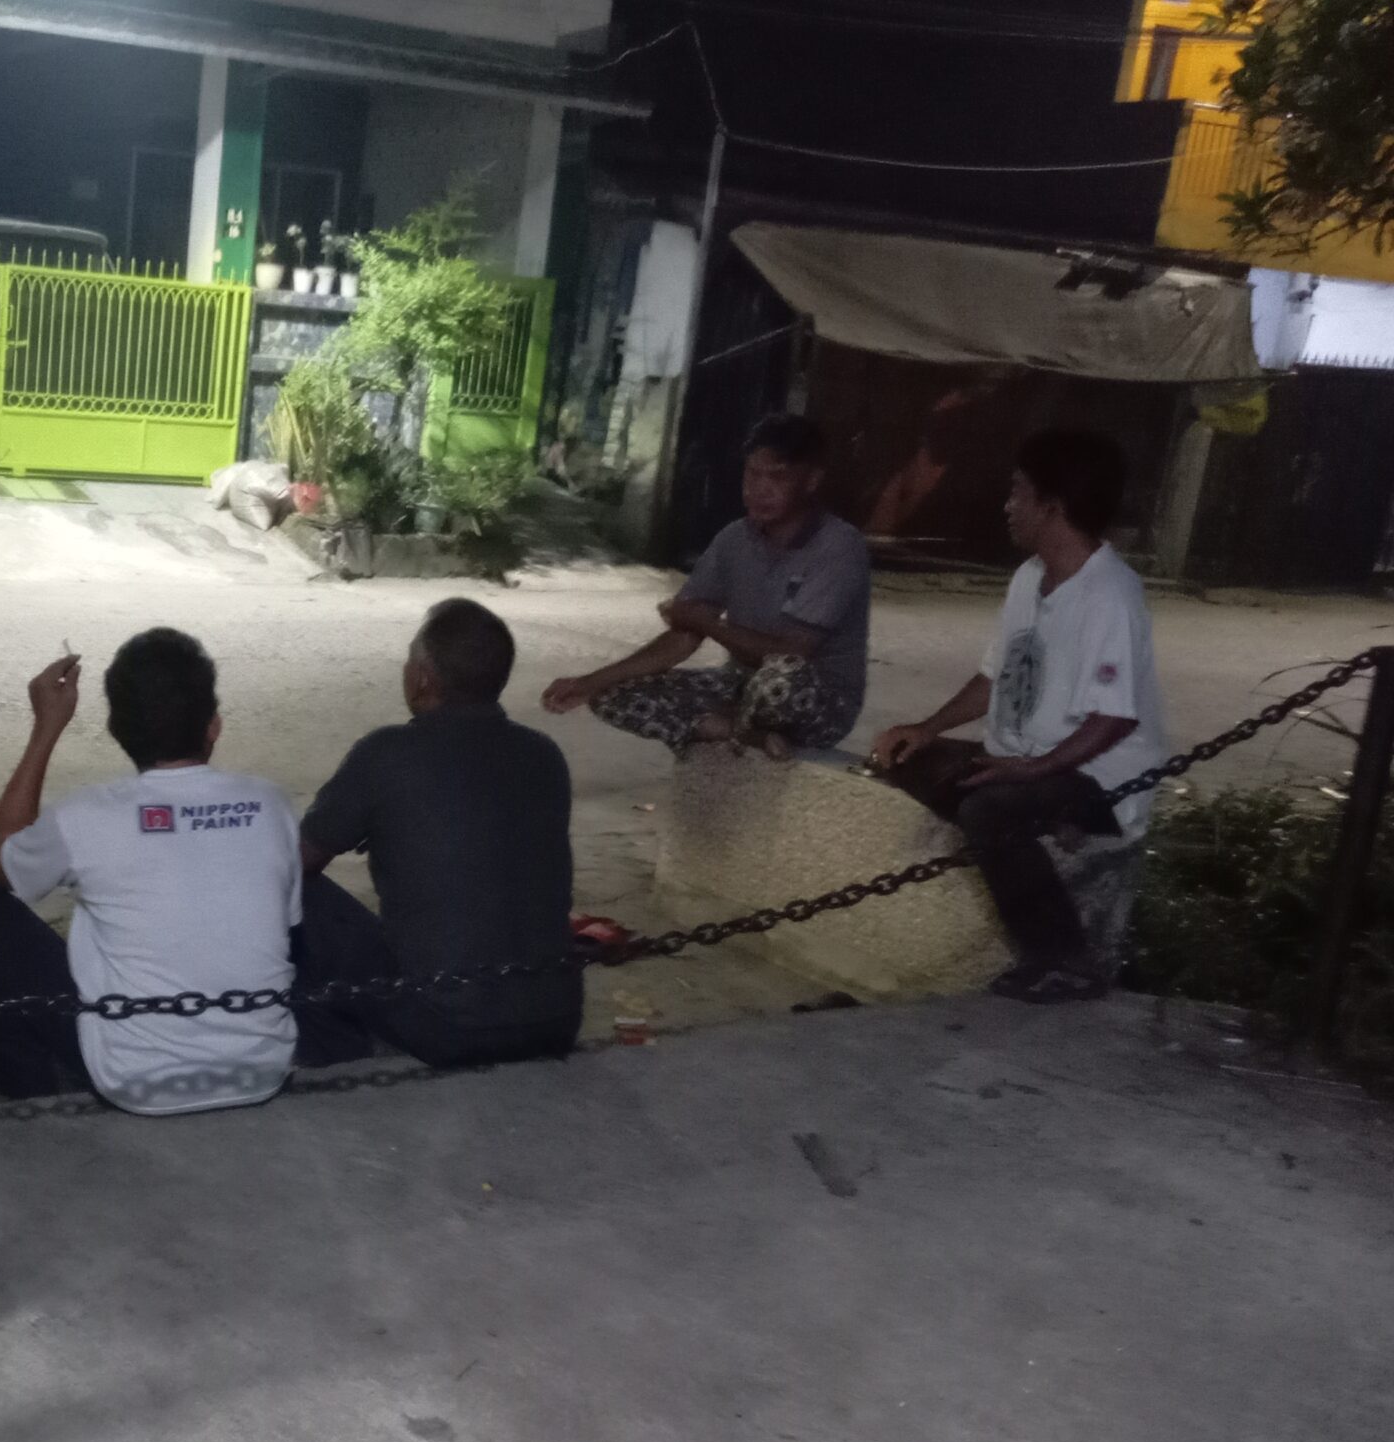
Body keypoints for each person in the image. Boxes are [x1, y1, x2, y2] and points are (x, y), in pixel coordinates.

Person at [0, 628, 303, 1116]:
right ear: (213, 725)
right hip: (261, 1069)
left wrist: (46, 728)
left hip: (133, 1078)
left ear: (115, 730)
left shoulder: (87, 814)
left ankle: (26, 1088)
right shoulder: (270, 804)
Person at [872, 429, 1165, 1004]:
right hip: (1027, 760)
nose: (1007, 505)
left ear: (1051, 506)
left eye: (1018, 492)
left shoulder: (1110, 595)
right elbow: (994, 677)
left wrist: (1032, 772)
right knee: (901, 759)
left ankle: (1064, 959)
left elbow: (1114, 720)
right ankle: (1049, 816)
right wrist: (927, 729)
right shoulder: (1030, 577)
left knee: (987, 809)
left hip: (1099, 778)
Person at [297, 599, 582, 1068]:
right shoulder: (543, 755)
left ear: (423, 680)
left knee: (295, 894)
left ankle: (335, 1045)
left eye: (410, 659)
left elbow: (299, 861)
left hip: (450, 1025)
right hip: (556, 1019)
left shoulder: (388, 754)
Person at [542, 413, 873, 759]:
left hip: (817, 700)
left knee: (780, 675)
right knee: (613, 692)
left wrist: (706, 622)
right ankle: (738, 730)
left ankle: (733, 725)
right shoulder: (734, 539)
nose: (759, 489)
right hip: (743, 684)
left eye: (777, 477)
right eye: (752, 473)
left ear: (811, 480)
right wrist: (590, 681)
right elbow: (684, 634)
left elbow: (791, 650)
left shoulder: (838, 547)